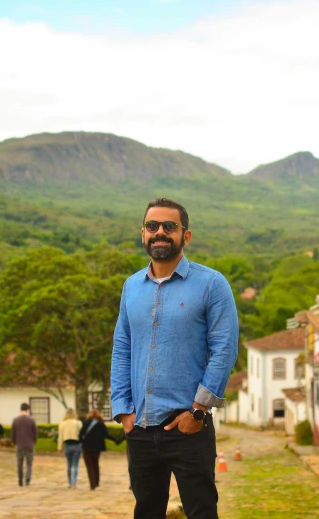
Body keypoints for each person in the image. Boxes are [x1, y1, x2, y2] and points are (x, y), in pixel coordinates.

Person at [111, 198, 239, 519]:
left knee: (201, 512)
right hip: (140, 427)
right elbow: (122, 348)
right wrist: (123, 410)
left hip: (188, 427)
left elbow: (224, 349)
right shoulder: (131, 287)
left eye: (170, 227)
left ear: (186, 235)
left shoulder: (211, 284)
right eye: (152, 226)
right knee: (146, 512)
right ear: (143, 233)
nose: (160, 233)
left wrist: (198, 411)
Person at [79, 408, 117, 490]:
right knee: (96, 464)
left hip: (87, 447)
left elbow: (80, 434)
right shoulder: (101, 424)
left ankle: (92, 484)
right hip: (97, 448)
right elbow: (106, 434)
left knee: (89, 466)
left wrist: (81, 442)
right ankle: (96, 482)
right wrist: (116, 440)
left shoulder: (85, 423)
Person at [11, 403, 38, 487]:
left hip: (19, 444)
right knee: (29, 463)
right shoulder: (32, 420)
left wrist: (15, 442)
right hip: (29, 444)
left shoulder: (15, 420)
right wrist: (33, 441)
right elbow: (35, 433)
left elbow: (12, 434)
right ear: (28, 410)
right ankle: (27, 480)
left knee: (19, 463)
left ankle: (20, 480)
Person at [57, 408, 83, 489]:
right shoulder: (78, 423)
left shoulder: (62, 424)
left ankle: (69, 482)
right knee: (75, 465)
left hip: (67, 444)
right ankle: (73, 483)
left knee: (69, 464)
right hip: (76, 444)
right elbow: (81, 435)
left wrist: (59, 447)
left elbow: (60, 437)